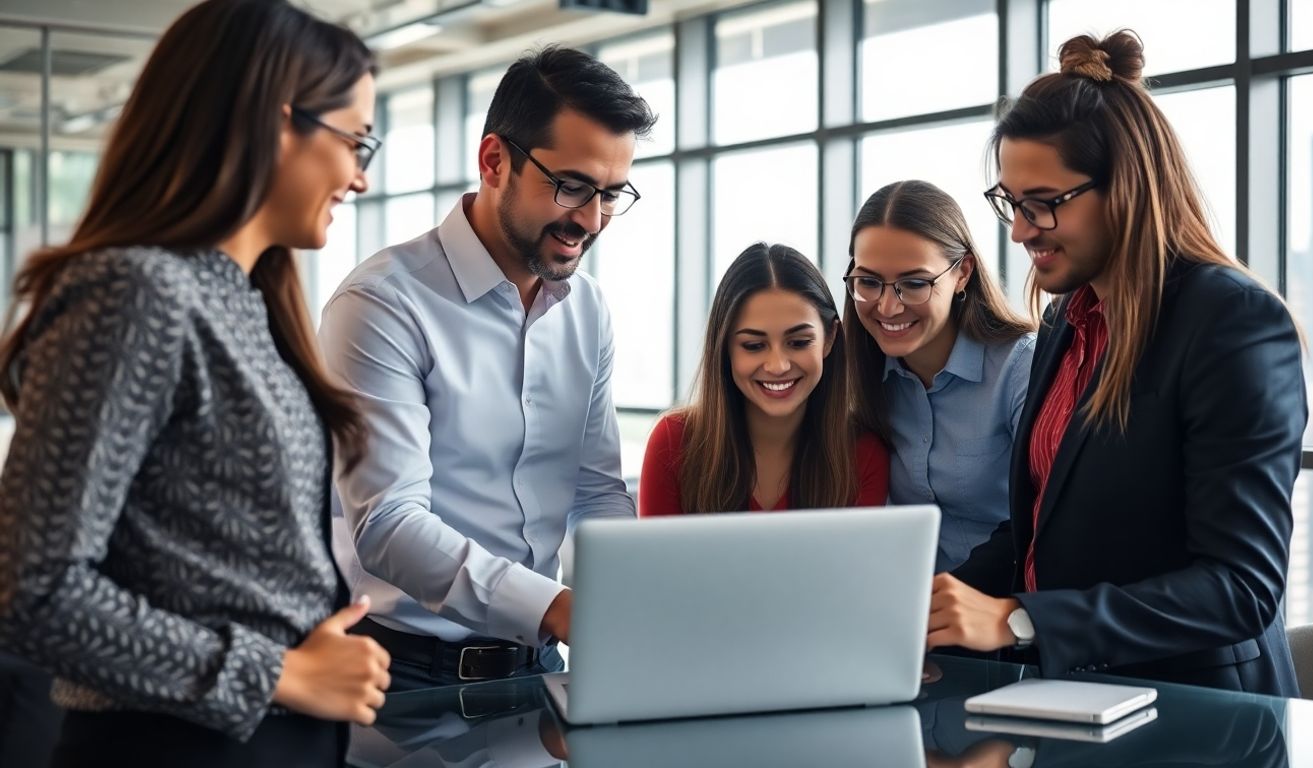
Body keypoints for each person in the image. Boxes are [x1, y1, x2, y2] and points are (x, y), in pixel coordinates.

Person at [0, 0, 391, 764]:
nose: (361, 176)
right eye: (356, 139)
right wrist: (276, 670)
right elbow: (32, 591)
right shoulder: (136, 291)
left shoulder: (245, 298)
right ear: (280, 122)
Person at [927, 30, 1306, 696]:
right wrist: (935, 600)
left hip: (1204, 718)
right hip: (1078, 703)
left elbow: (1240, 586)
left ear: (1125, 188)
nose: (1019, 230)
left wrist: (1018, 619)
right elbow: (1047, 524)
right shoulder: (1063, 322)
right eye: (1012, 203)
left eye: (1043, 202)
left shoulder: (1232, 322)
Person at [319, 46, 653, 690]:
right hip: (403, 678)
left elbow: (595, 492)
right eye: (572, 186)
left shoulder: (587, 310)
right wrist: (554, 607)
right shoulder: (383, 304)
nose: (589, 220)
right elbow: (389, 525)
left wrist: (626, 594)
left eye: (611, 195)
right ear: (495, 160)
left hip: (541, 671)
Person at [843, 181, 1035, 571]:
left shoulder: (1020, 367)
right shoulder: (855, 377)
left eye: (914, 284)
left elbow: (1046, 518)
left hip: (1002, 607)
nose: (888, 306)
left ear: (962, 273)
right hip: (905, 606)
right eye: (869, 282)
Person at [639, 243, 889, 516]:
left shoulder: (863, 455)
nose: (778, 366)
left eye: (799, 342)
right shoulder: (673, 442)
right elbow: (655, 560)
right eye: (754, 346)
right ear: (724, 349)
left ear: (829, 339)